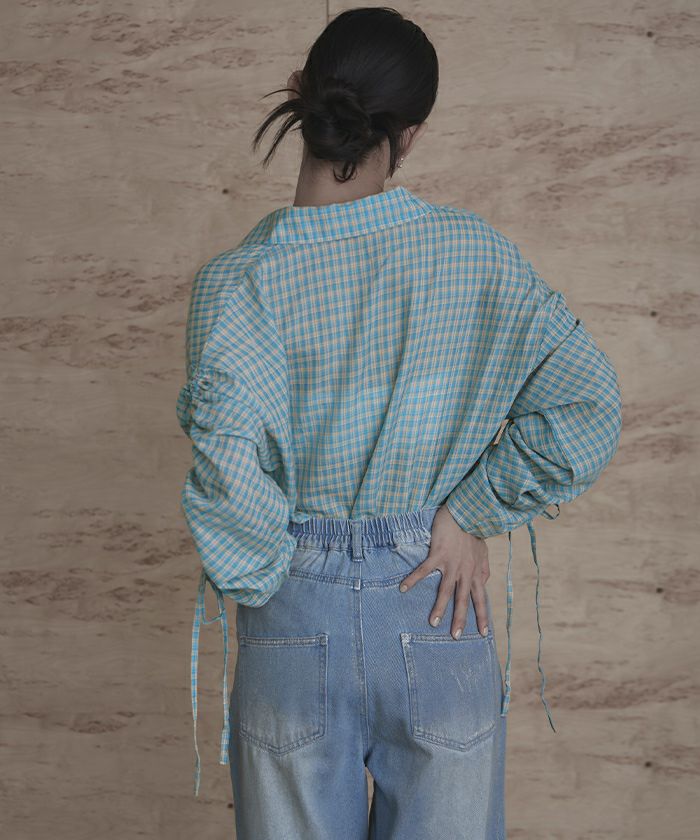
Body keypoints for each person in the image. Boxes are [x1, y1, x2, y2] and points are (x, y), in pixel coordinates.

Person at [175, 7, 623, 838]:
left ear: (300, 92)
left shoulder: (237, 283)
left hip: (292, 615)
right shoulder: (473, 254)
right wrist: (469, 513)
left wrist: (282, 575)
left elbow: (230, 479)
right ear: (409, 134)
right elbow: (587, 403)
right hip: (436, 597)